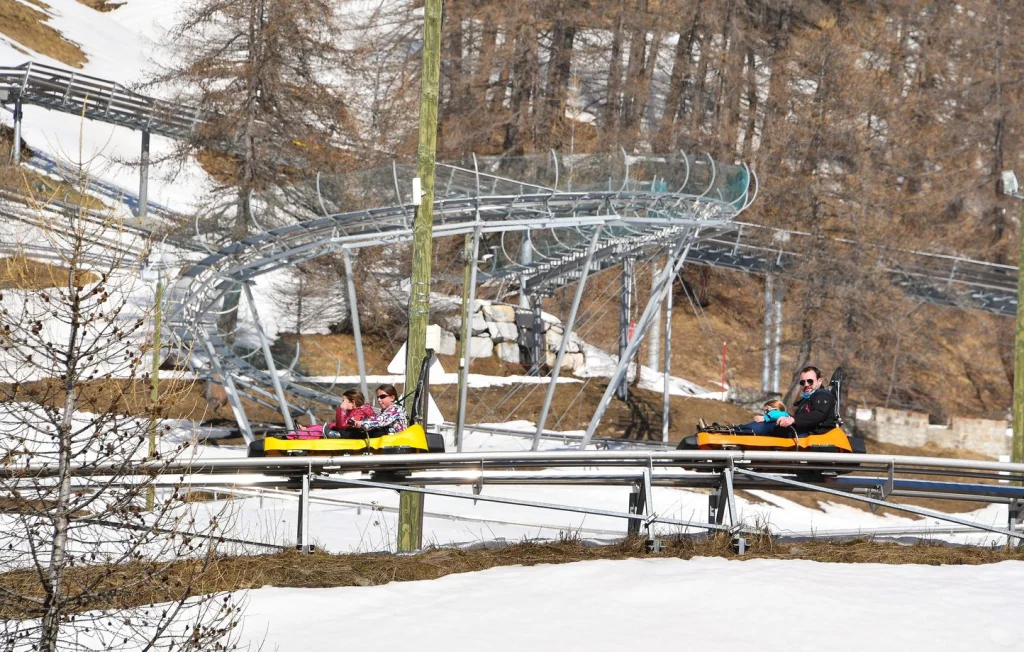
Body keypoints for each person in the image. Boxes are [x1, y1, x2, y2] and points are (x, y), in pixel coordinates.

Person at [775, 366, 837, 435]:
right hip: (803, 433)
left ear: (819, 381)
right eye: (802, 382)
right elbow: (797, 418)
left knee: (769, 428)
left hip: (815, 436)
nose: (806, 384)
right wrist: (774, 416)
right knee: (770, 424)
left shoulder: (823, 396)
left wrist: (793, 419)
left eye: (810, 381)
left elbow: (817, 415)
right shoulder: (806, 399)